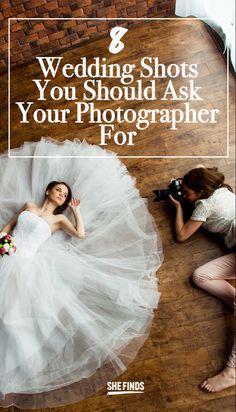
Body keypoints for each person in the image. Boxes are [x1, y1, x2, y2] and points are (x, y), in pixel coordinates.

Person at [0, 138, 163, 409]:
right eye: (60, 191)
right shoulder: (29, 206)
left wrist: (76, 211)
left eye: (65, 194)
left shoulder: (59, 220)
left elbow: (80, 234)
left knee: (11, 317)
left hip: (27, 267)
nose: (62, 195)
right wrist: (2, 241)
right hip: (7, 256)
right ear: (49, 190)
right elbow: (8, 225)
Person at [169, 166, 235, 393]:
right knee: (201, 276)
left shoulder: (204, 205)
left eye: (187, 192)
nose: (185, 196)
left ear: (200, 191)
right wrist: (186, 182)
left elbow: (181, 235)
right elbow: (199, 169)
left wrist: (178, 207)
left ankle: (232, 372)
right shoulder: (222, 189)